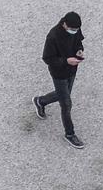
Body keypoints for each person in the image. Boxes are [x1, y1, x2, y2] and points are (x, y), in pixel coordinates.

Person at [34, 11, 86, 148]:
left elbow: (78, 41)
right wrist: (66, 61)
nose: (75, 32)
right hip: (59, 74)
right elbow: (47, 58)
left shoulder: (75, 28)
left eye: (76, 30)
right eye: (73, 29)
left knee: (64, 94)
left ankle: (40, 101)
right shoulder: (53, 36)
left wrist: (79, 50)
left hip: (72, 69)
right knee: (66, 104)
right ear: (65, 24)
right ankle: (69, 134)